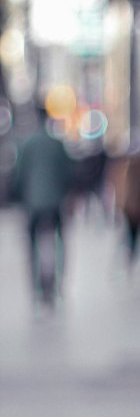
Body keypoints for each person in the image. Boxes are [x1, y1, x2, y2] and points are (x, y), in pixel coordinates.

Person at [12, 105, 75, 307]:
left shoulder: (27, 143)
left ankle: (36, 287)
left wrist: (19, 195)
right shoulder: (56, 143)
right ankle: (57, 283)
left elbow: (18, 175)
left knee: (32, 245)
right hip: (55, 202)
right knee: (59, 241)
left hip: (33, 203)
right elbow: (68, 172)